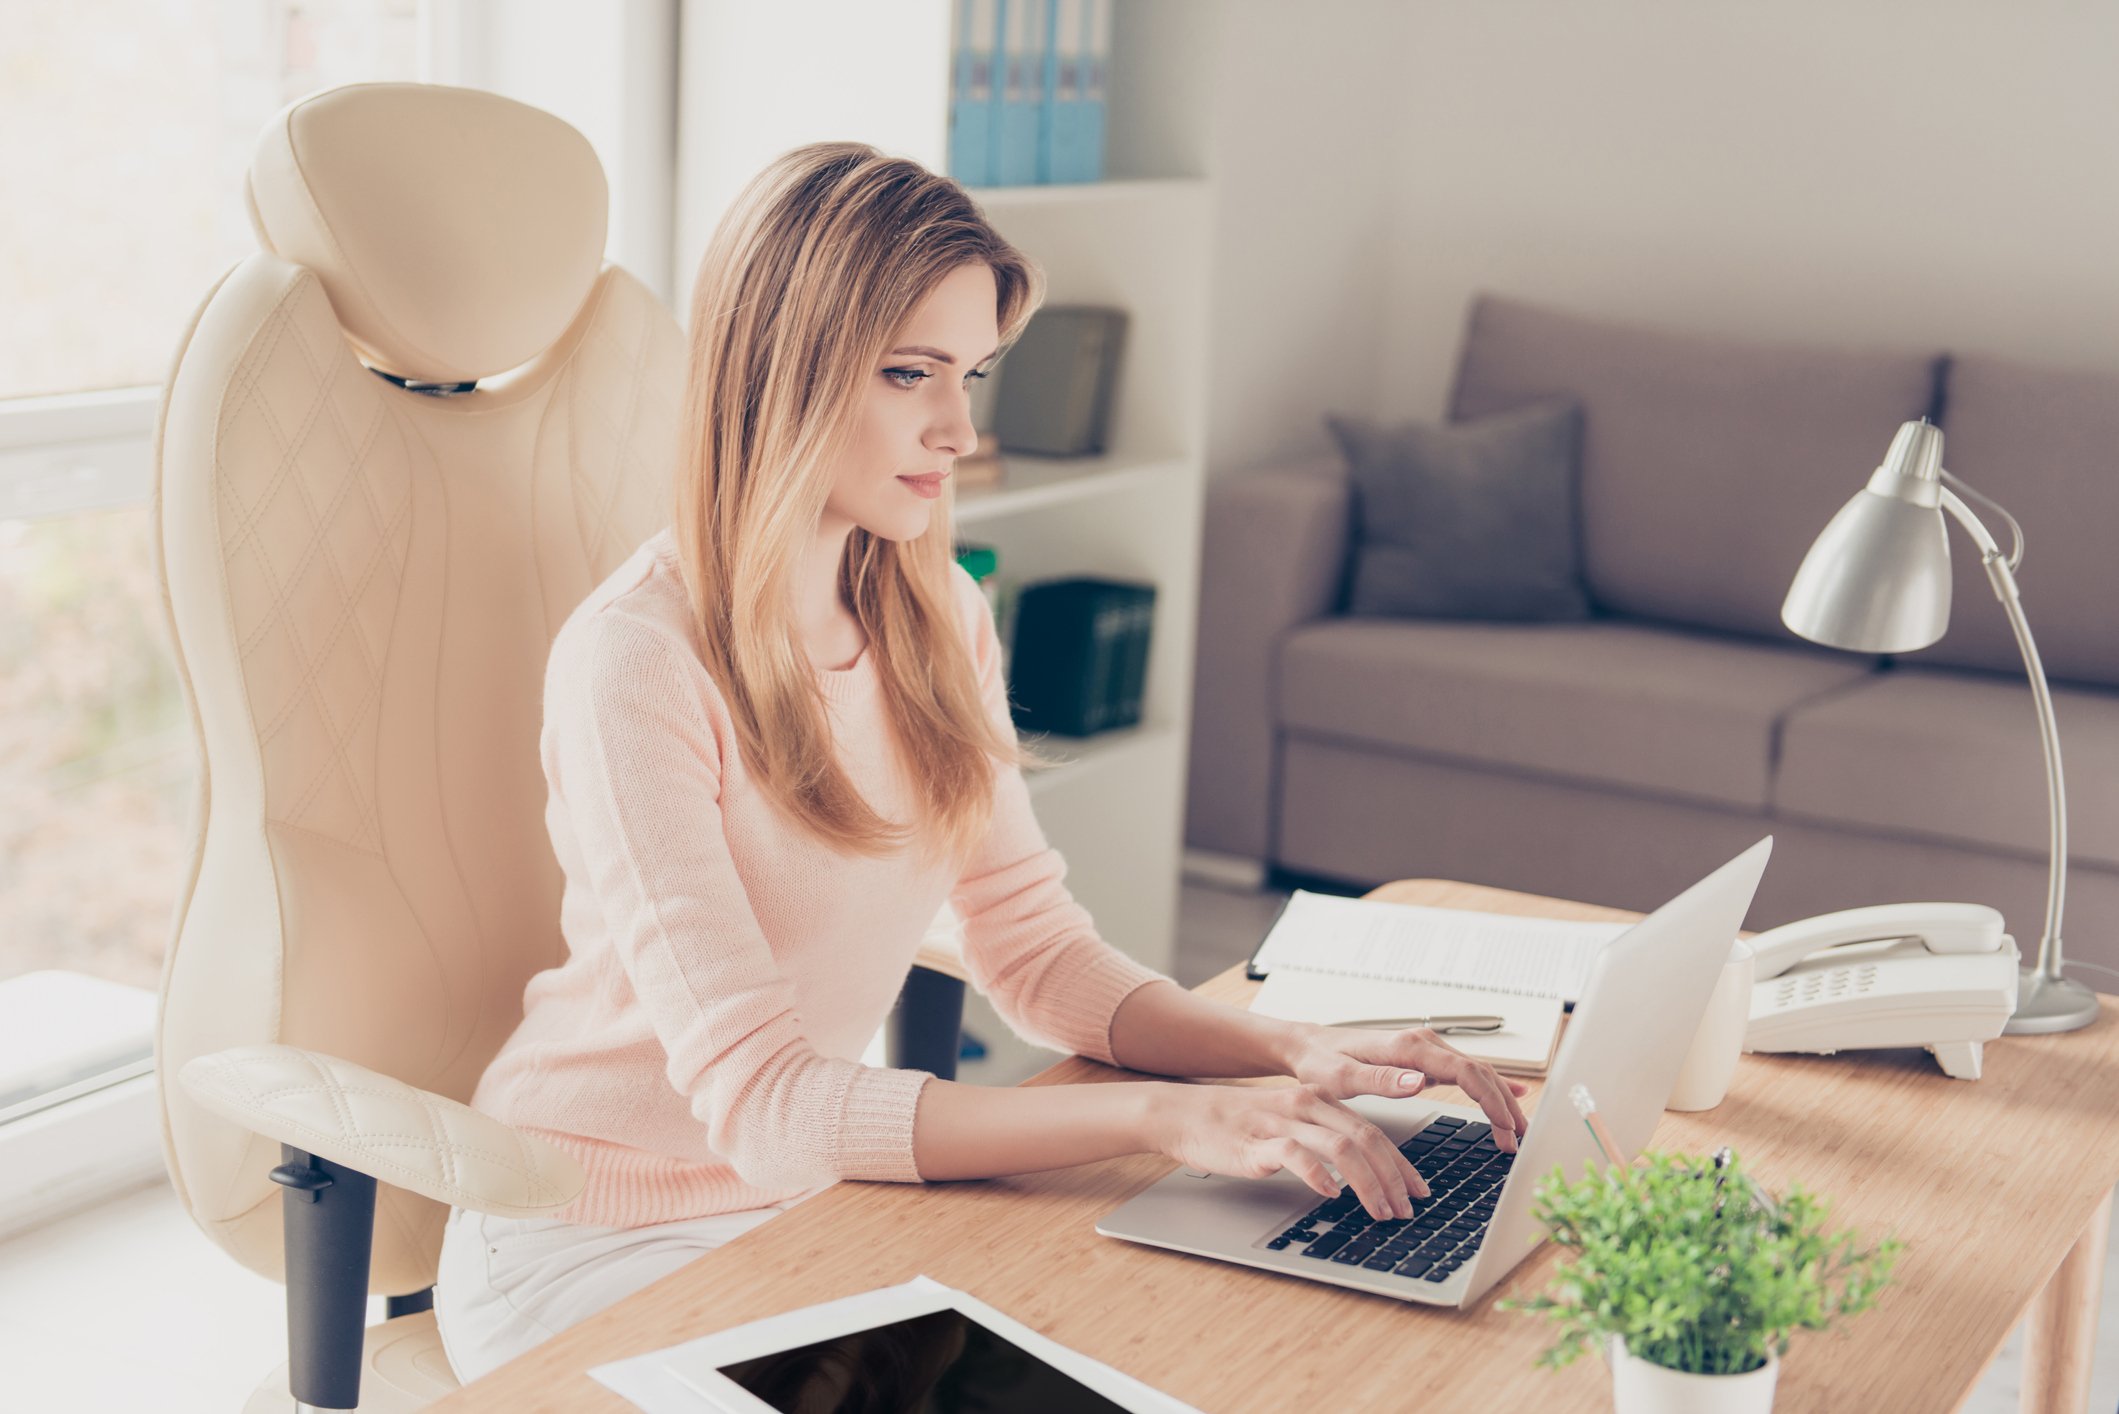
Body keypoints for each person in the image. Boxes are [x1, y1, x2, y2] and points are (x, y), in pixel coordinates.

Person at [433, 140, 1528, 1383]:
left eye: (971, 374)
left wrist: (1288, 1050)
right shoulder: (635, 660)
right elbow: (769, 1103)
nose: (958, 428)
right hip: (592, 1232)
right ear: (778, 371)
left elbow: (1035, 946)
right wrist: (1163, 1112)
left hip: (809, 1202)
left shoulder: (937, 611)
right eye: (911, 373)